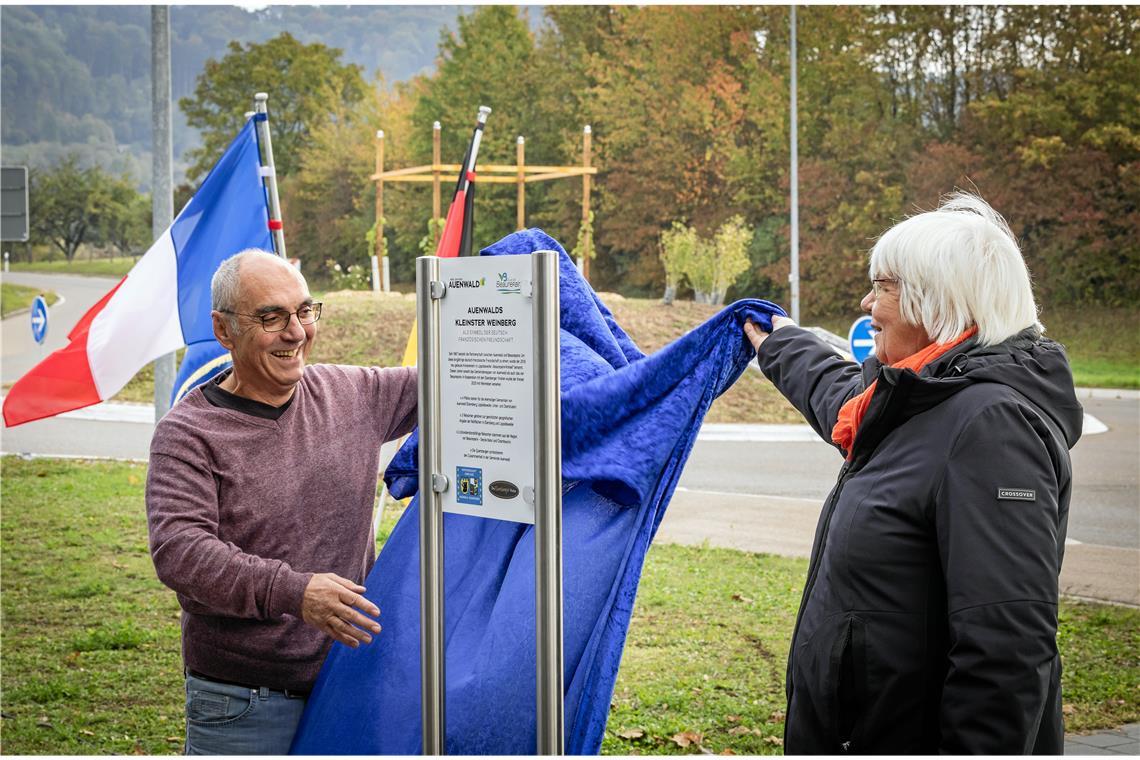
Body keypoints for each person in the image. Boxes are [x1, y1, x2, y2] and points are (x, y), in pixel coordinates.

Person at [742, 193, 1083, 754]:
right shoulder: (918, 400)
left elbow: (1005, 648)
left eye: (884, 286)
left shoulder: (991, 428)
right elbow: (842, 397)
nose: (866, 302)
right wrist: (780, 343)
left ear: (938, 299)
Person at [145, 249, 417, 754]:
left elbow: (453, 379)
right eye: (271, 317)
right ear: (224, 330)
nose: (296, 333)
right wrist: (295, 592)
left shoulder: (352, 393)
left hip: (351, 685)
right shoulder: (188, 434)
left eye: (304, 311)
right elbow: (180, 552)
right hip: (243, 703)